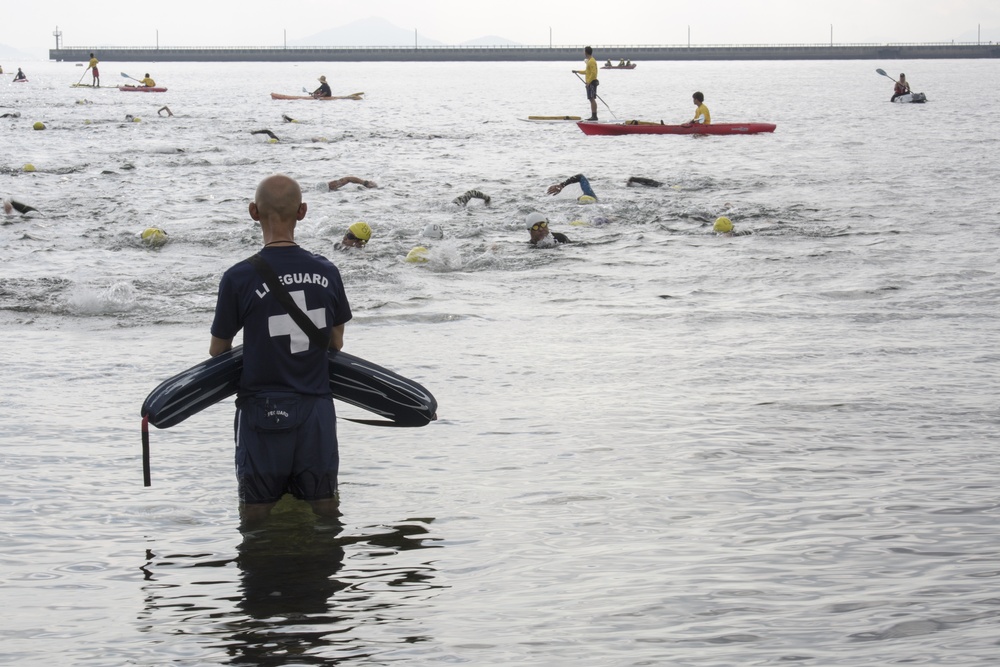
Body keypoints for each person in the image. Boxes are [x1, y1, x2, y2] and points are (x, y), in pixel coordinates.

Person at [209, 174, 352, 526]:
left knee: (255, 513)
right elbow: (335, 343)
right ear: (302, 211)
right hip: (316, 410)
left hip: (262, 412)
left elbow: (218, 351)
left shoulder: (238, 277)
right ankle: (323, 572)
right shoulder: (327, 271)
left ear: (253, 212)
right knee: (324, 507)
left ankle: (264, 570)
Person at [574, 46, 599, 121]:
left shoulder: (591, 61)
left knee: (592, 99)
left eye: (584, 51)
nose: (583, 53)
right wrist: (577, 71)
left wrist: (589, 82)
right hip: (590, 82)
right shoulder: (589, 61)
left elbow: (593, 73)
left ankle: (594, 116)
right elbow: (587, 72)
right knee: (591, 99)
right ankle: (593, 115)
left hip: (591, 82)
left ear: (586, 52)